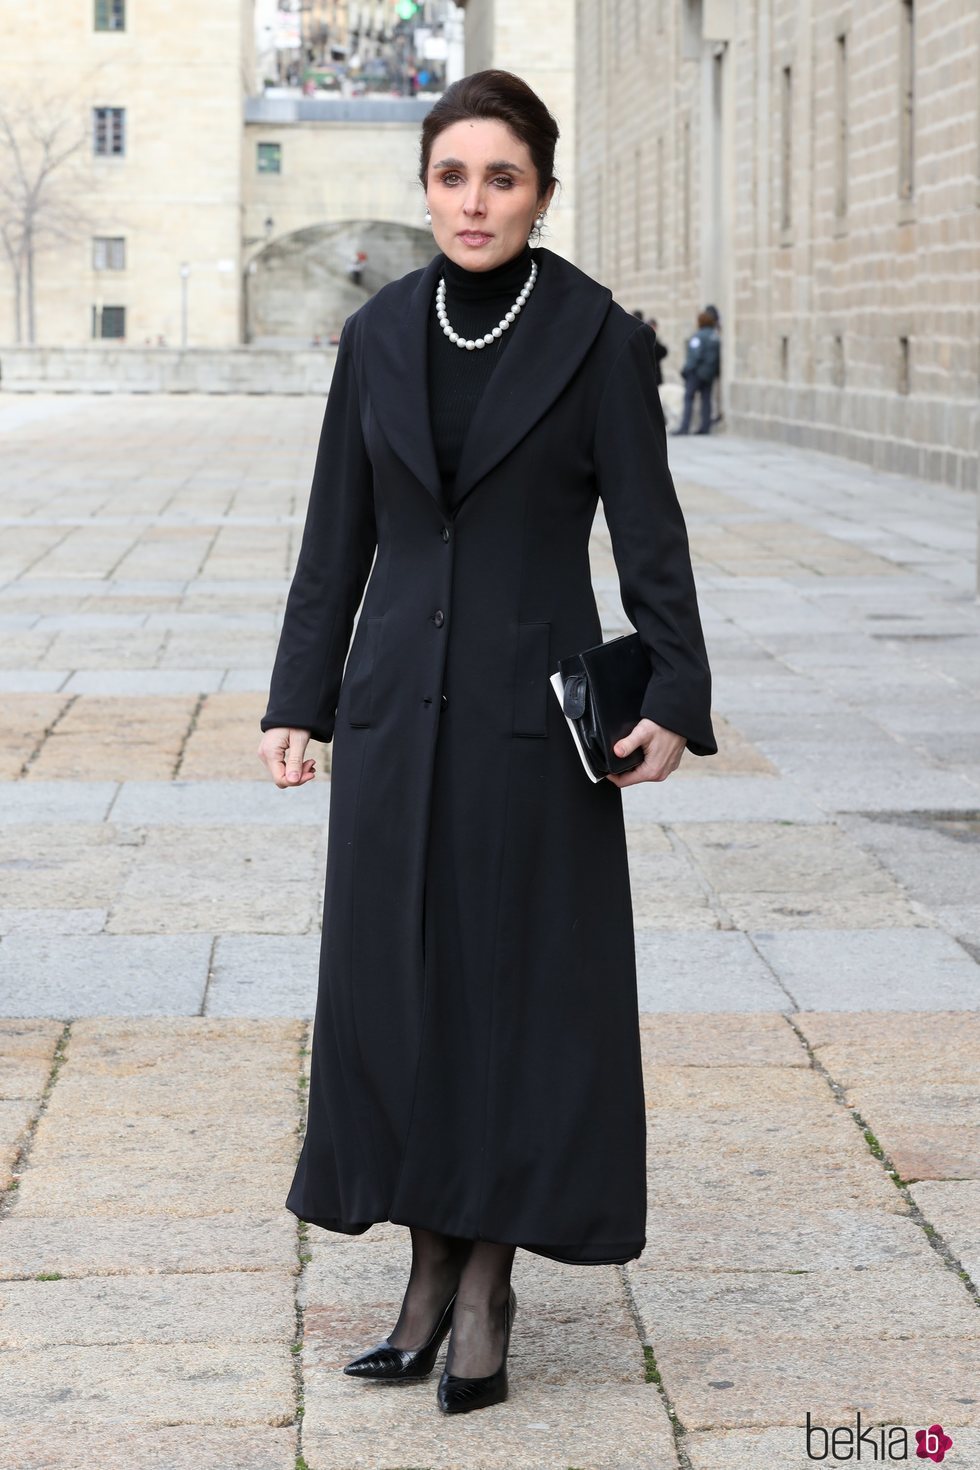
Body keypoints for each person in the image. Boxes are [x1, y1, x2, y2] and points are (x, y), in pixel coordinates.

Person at [257, 68, 716, 1417]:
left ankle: (485, 1286)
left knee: (513, 995)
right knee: (398, 990)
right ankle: (420, 1267)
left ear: (542, 193)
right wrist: (301, 701)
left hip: (535, 727)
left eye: (502, 177)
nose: (475, 200)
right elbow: (332, 537)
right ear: (426, 184)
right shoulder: (378, 333)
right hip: (398, 719)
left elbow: (650, 536)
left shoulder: (594, 338)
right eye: (453, 175)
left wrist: (676, 693)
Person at [671, 308, 721, 435]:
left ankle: (685, 427)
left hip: (696, 373)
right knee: (706, 400)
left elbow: (694, 355)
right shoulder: (715, 337)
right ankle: (705, 427)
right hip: (709, 374)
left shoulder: (698, 336)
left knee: (688, 398)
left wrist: (686, 370)